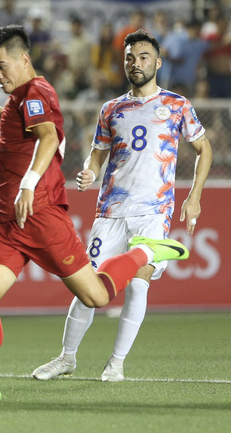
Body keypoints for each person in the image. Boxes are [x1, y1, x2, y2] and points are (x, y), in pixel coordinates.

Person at [0, 25, 191, 403]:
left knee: (95, 296)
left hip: (41, 214)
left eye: (2, 66)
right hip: (5, 220)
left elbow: (47, 137)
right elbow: (23, 130)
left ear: (24, 59)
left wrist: (28, 184)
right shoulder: (19, 98)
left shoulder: (38, 92)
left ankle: (145, 252)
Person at [32, 30, 212, 382]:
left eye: (144, 57)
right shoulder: (111, 109)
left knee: (139, 281)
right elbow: (97, 155)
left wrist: (195, 197)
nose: (136, 63)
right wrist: (89, 172)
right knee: (89, 286)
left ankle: (116, 363)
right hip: (111, 211)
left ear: (157, 63)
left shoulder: (177, 105)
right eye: (130, 57)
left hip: (154, 212)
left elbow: (205, 149)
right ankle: (67, 358)